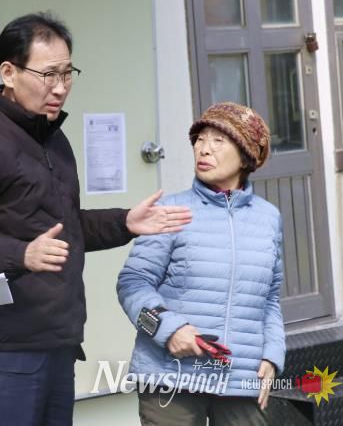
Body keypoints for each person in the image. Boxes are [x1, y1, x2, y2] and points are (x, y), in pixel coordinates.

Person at [0, 12, 192, 426]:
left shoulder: (52, 137)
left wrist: (125, 222)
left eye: (68, 74)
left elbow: (63, 227)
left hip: (59, 340)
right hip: (5, 349)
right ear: (9, 72)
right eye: (48, 74)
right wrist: (21, 254)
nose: (60, 87)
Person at [117, 102, 286, 426]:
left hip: (242, 378)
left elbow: (270, 299)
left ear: (246, 157)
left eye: (218, 141)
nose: (204, 149)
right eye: (200, 139)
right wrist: (167, 329)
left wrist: (272, 355)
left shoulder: (268, 218)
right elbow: (132, 285)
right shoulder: (170, 211)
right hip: (171, 377)